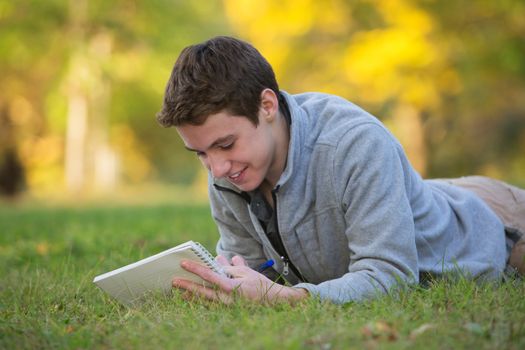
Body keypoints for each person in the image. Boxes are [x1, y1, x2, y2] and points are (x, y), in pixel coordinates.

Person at [156, 36, 525, 305]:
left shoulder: (355, 143)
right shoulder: (229, 169)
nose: (217, 168)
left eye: (225, 145)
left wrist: (287, 298)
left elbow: (390, 277)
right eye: (200, 154)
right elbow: (254, 267)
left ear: (266, 105)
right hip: (422, 196)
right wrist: (229, 282)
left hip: (496, 223)